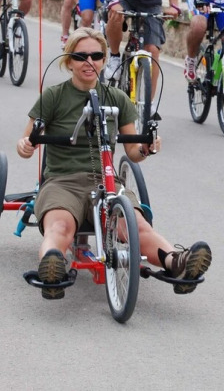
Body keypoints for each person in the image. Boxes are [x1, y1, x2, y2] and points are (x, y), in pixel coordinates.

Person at [16, 27, 212, 300]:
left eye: (96, 56)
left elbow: (133, 152)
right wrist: (26, 145)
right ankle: (53, 267)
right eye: (81, 56)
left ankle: (176, 262)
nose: (89, 62)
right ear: (69, 61)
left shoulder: (116, 98)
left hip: (106, 181)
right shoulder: (54, 96)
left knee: (136, 226)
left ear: (104, 60)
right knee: (60, 227)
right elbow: (26, 141)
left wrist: (146, 148)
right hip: (63, 181)